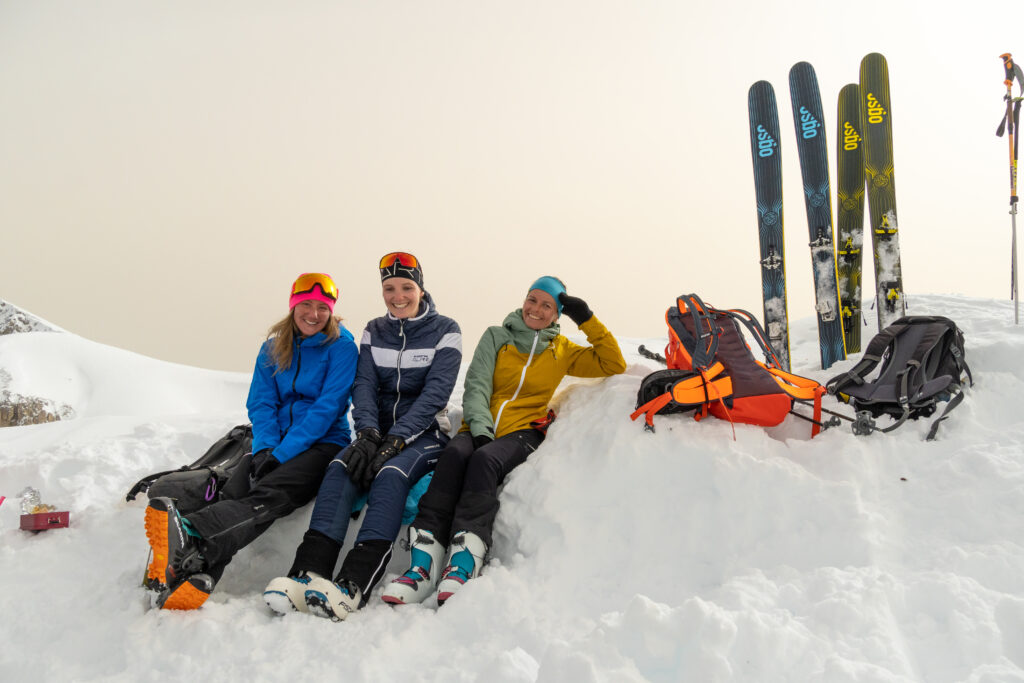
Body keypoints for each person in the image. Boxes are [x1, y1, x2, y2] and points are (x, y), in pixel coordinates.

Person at [381, 276, 626, 606]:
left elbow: (613, 362)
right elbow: (477, 384)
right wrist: (480, 428)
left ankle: (464, 561)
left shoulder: (563, 351)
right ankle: (423, 565)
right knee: (454, 454)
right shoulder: (497, 336)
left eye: (546, 305)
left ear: (557, 315)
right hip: (478, 427)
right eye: (532, 300)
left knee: (485, 461)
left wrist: (586, 319)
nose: (536, 309)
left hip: (522, 432)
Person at [263, 252, 462, 620]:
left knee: (390, 475)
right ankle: (306, 574)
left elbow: (435, 394)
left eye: (406, 287)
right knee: (341, 468)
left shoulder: (446, 330)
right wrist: (369, 433)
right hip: (378, 431)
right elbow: (365, 385)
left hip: (425, 434)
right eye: (389, 288)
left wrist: (397, 439)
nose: (398, 296)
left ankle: (352, 586)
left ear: (421, 288)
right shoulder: (374, 330)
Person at [143, 272, 359, 610]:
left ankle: (189, 532)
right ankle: (197, 575)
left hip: (322, 444)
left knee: (271, 496)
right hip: (270, 444)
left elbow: (327, 408)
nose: (313, 315)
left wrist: (284, 453)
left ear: (331, 311)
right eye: (306, 305)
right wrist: (264, 449)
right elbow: (261, 403)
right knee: (234, 493)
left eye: (322, 307)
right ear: (292, 306)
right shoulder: (273, 346)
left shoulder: (342, 347)